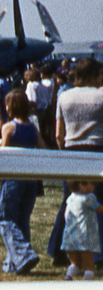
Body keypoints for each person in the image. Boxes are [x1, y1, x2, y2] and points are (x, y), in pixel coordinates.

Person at [48, 58, 103, 267]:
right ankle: (98, 254)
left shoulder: (64, 96)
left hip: (71, 150)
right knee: (97, 200)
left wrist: (63, 152)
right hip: (97, 150)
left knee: (69, 201)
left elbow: (58, 133)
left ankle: (58, 250)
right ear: (93, 74)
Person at [0, 89, 41, 274]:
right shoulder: (32, 128)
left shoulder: (9, 128)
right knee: (22, 220)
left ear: (10, 107)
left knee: (5, 217)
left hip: (13, 177)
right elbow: (42, 148)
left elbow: (2, 157)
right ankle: (14, 264)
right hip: (30, 179)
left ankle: (24, 255)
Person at [62, 181, 99, 280]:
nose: (91, 186)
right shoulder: (89, 198)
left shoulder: (71, 198)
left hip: (71, 235)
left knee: (74, 263)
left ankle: (69, 275)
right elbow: (99, 208)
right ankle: (88, 279)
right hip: (85, 235)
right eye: (87, 184)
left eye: (92, 183)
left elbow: (65, 215)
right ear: (79, 185)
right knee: (88, 262)